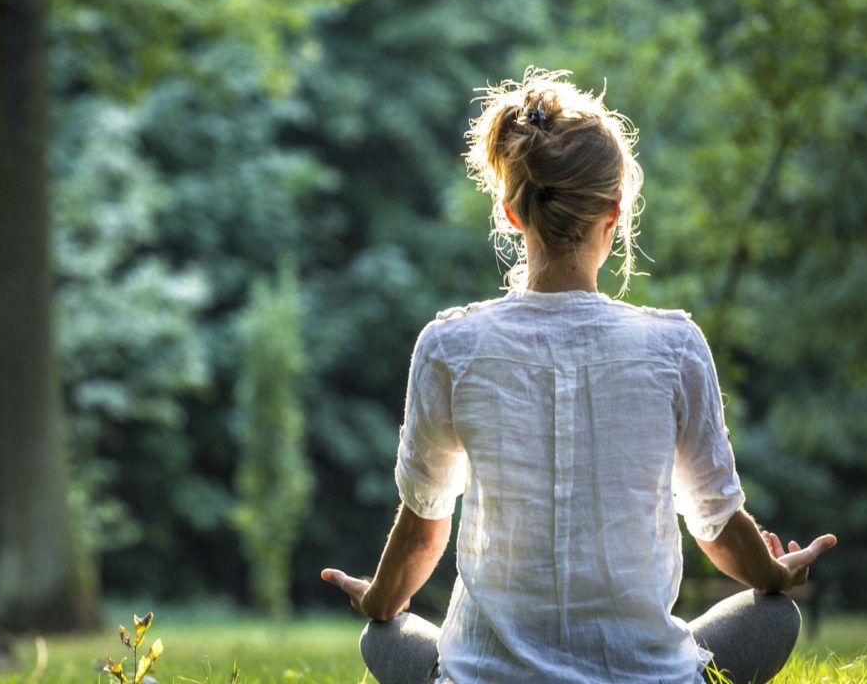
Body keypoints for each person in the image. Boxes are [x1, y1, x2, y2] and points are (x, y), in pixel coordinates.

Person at [320, 68, 837, 683]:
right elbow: (718, 526)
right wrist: (777, 574)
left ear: (513, 214)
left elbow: (423, 529)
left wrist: (377, 599)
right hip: (646, 677)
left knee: (384, 638)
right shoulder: (675, 345)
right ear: (614, 215)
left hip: (489, 675)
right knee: (775, 618)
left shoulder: (449, 346)